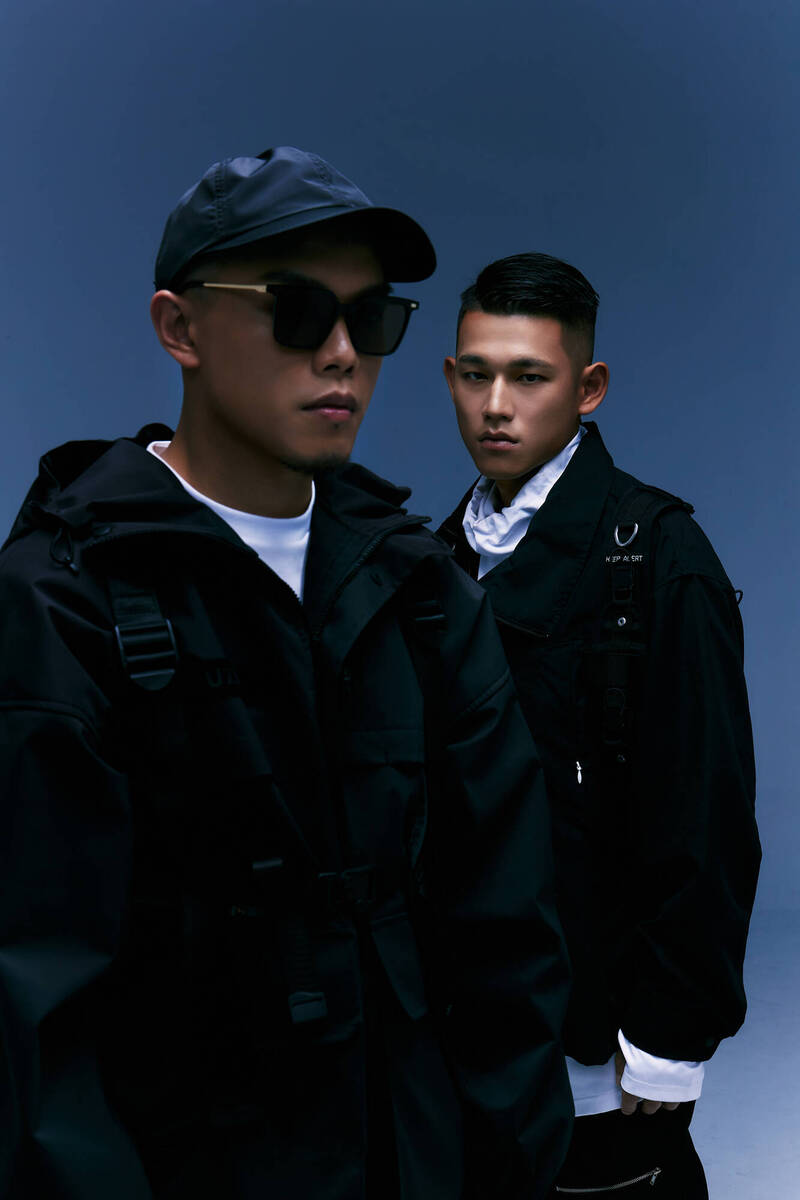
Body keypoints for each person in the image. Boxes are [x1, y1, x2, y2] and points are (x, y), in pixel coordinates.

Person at [0, 155, 572, 1199]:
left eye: (373, 319)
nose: (342, 352)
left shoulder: (421, 592)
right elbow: (37, 1016)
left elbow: (507, 950)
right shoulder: (62, 606)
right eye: (298, 311)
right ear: (179, 328)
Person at [437, 252, 761, 1197]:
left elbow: (707, 811)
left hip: (600, 1053)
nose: (496, 406)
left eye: (529, 377)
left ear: (589, 389)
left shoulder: (658, 557)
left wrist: (670, 1040)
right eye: (475, 374)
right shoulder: (431, 559)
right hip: (458, 1037)